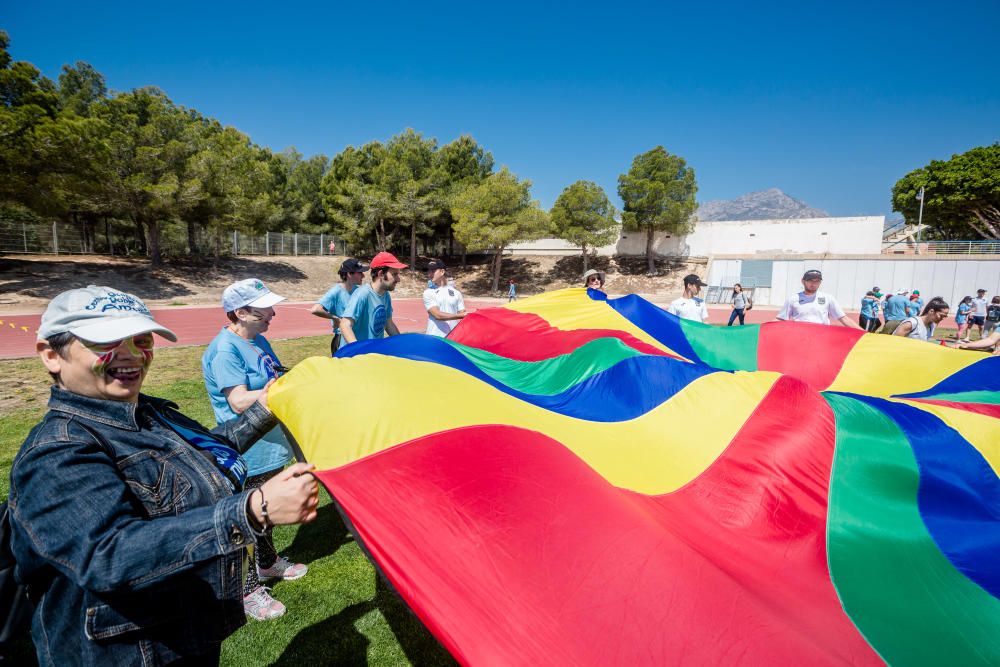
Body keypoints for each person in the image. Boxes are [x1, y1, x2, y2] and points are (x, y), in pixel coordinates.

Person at [9, 286, 318, 665]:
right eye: (105, 341)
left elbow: (208, 453)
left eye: (141, 340)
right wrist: (250, 511)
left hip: (182, 629)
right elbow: (107, 555)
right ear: (52, 355)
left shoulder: (146, 412)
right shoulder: (57, 450)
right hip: (129, 651)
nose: (131, 355)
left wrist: (264, 409)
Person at [202, 279, 308, 620]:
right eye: (264, 309)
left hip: (270, 446)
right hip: (248, 452)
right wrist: (278, 390)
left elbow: (271, 379)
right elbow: (237, 401)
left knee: (265, 516)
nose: (272, 314)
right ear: (241, 312)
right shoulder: (225, 350)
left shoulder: (257, 339)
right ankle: (247, 591)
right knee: (245, 522)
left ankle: (267, 563)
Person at [340, 251, 406, 344]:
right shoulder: (362, 294)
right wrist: (358, 350)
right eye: (394, 274)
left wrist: (402, 344)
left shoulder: (385, 295)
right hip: (355, 357)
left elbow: (388, 323)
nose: (398, 279)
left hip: (371, 355)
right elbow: (344, 325)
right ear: (381, 274)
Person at [312, 257, 368, 354]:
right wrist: (335, 318)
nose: (363, 276)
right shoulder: (336, 291)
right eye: (360, 273)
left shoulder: (359, 291)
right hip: (341, 340)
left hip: (356, 338)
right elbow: (316, 309)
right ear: (349, 274)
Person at [776, 270, 863, 329]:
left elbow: (844, 319)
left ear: (820, 282)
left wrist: (864, 333)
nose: (813, 284)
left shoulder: (828, 298)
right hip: (800, 338)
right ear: (803, 281)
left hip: (821, 338)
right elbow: (780, 319)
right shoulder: (793, 299)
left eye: (817, 281)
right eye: (810, 280)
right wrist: (763, 328)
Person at [423, 259, 466, 337]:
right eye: (428, 271)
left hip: (453, 339)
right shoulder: (428, 292)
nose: (429, 274)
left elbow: (462, 315)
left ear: (442, 272)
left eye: (433, 271)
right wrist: (461, 315)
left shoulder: (457, 293)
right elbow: (437, 315)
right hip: (434, 338)